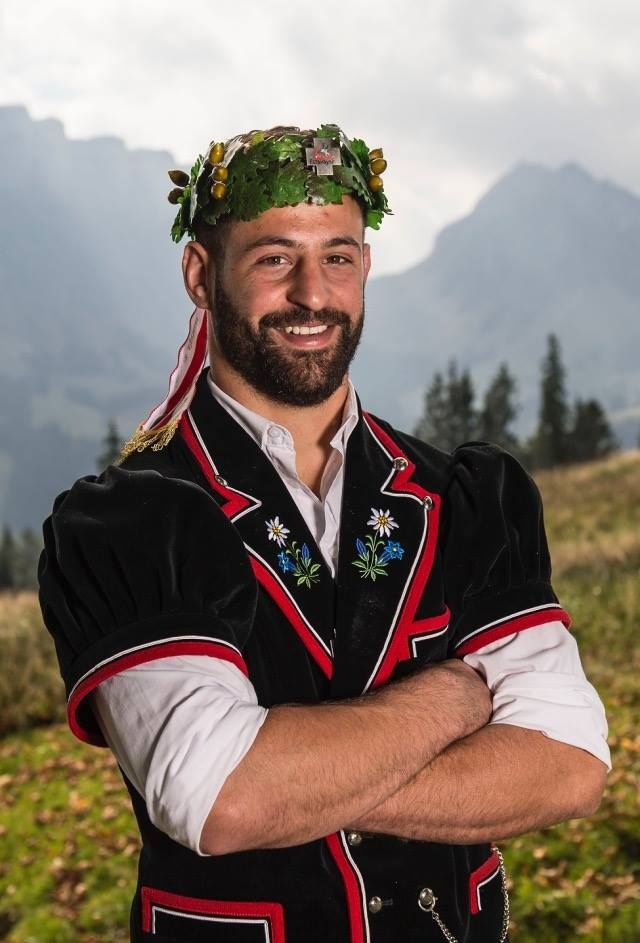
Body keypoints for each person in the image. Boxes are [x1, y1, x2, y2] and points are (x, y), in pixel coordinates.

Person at [39, 124, 610, 943]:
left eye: (337, 256)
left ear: (365, 266)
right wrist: (456, 698)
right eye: (275, 258)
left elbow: (568, 765)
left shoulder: (465, 496)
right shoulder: (134, 520)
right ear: (200, 274)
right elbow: (222, 798)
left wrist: (296, 779)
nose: (313, 294)